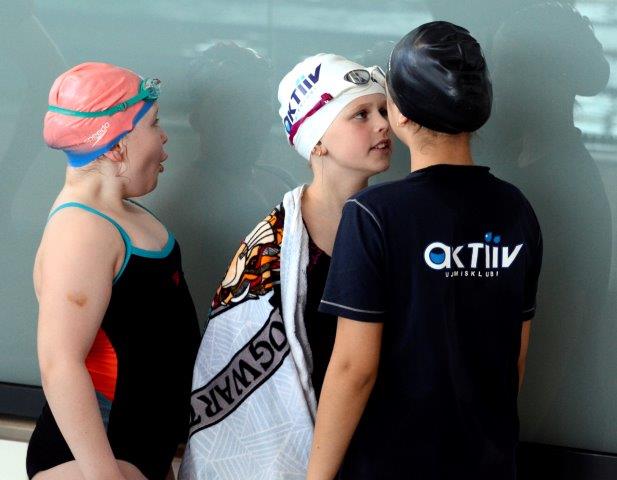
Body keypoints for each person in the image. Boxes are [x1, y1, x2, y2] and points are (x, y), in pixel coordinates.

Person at [307, 21, 543, 480]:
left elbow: (354, 369)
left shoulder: (374, 214)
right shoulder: (516, 210)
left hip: (392, 465)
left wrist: (317, 476)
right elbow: (515, 356)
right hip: (488, 463)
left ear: (401, 114)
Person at [180, 53, 391, 479]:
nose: (383, 124)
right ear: (317, 141)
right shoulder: (271, 248)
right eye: (361, 114)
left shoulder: (390, 225)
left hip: (377, 445)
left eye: (384, 111)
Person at [26, 62, 201, 480]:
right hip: (93, 461)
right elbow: (60, 363)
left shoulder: (119, 214)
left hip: (136, 452)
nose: (164, 137)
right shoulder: (81, 231)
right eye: (154, 124)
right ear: (115, 146)